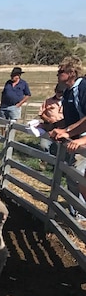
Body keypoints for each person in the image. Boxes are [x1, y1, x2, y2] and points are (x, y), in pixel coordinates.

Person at [49, 57, 86, 220]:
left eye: (61, 71)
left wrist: (70, 133)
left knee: (76, 175)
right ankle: (75, 212)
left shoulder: (82, 88)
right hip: (75, 139)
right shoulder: (68, 91)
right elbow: (71, 118)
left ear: (71, 73)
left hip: (82, 140)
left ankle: (79, 214)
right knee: (72, 175)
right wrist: (58, 128)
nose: (58, 74)